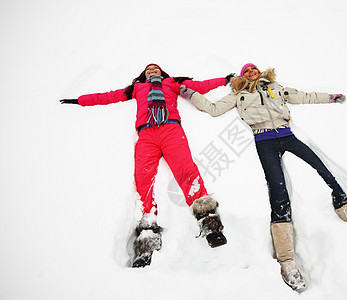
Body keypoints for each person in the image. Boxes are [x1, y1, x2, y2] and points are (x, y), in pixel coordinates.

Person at [180, 63, 347, 291]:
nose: (251, 72)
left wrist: (331, 97)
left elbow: (303, 96)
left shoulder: (275, 87)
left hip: (287, 135)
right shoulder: (239, 94)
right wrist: (190, 94)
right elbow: (213, 109)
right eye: (246, 71)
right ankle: (287, 260)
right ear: (242, 77)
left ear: (259, 72)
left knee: (326, 174)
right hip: (264, 141)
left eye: (254, 69)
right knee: (278, 192)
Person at [60, 63, 234, 268]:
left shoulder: (172, 83)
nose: (152, 71)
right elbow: (109, 96)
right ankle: (146, 240)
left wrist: (225, 80)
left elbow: (201, 86)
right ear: (143, 74)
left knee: (186, 171)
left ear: (162, 72)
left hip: (170, 130)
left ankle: (210, 224)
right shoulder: (136, 88)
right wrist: (80, 101)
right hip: (147, 135)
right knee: (143, 181)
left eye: (156, 69)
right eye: (149, 69)